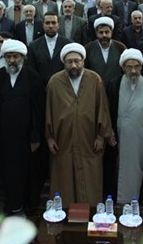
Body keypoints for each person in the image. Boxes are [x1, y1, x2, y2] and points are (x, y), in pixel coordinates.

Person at [45, 43, 113, 207]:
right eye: (69, 62)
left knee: (90, 175)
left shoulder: (94, 79)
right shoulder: (55, 82)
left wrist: (101, 136)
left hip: (88, 138)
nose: (74, 65)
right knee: (64, 175)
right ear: (64, 63)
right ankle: (64, 210)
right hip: (63, 139)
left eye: (77, 61)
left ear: (83, 61)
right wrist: (49, 137)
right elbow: (48, 111)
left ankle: (90, 209)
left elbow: (103, 108)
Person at [0, 39, 45, 215]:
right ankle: (11, 204)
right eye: (9, 56)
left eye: (16, 56)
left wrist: (35, 136)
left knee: (29, 172)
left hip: (27, 137)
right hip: (4, 137)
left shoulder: (33, 77)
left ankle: (29, 204)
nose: (12, 60)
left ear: (23, 57)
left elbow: (38, 110)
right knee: (8, 172)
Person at [106, 49, 143, 205]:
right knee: (120, 167)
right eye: (129, 67)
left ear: (141, 67)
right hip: (120, 137)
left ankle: (140, 200)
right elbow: (109, 112)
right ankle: (121, 200)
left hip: (141, 136)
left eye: (137, 66)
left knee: (140, 167)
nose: (133, 70)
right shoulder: (114, 84)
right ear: (123, 67)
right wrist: (110, 131)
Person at [84, 16, 126, 84]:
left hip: (115, 87)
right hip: (95, 86)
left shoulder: (120, 47)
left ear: (111, 32)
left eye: (107, 32)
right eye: (101, 32)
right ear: (96, 33)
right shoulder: (88, 48)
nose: (104, 35)